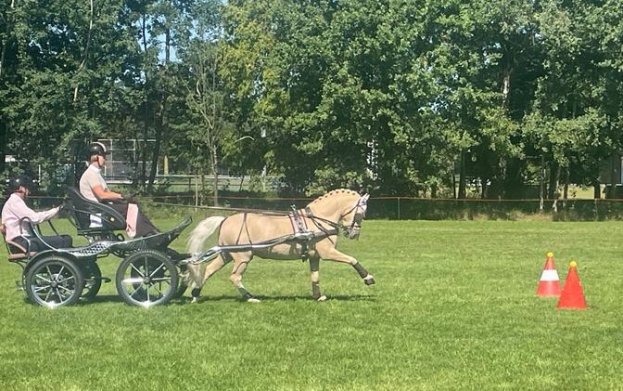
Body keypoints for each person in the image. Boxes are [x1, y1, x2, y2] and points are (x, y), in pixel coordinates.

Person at [79, 141, 158, 238]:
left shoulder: (95, 174)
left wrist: (124, 197)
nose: (105, 159)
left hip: (102, 209)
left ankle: (151, 232)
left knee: (133, 204)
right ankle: (147, 235)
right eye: (103, 156)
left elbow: (107, 193)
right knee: (130, 207)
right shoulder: (91, 174)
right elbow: (101, 195)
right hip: (99, 213)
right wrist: (121, 196)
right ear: (96, 157)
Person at [1, 175, 72, 253]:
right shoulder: (15, 202)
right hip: (22, 242)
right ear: (21, 188)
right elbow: (35, 218)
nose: (29, 191)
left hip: (23, 241)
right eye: (27, 188)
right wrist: (57, 210)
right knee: (65, 240)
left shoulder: (15, 201)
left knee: (63, 239)